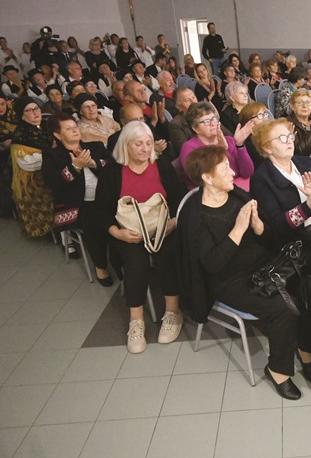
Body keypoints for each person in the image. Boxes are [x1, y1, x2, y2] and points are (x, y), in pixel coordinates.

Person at [177, 146, 302, 399]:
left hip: (262, 265)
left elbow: (268, 238)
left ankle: (307, 350)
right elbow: (212, 265)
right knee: (281, 308)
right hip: (229, 279)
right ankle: (278, 369)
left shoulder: (238, 196)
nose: (233, 172)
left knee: (306, 282)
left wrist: (257, 226)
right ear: (208, 178)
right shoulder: (196, 215)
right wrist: (238, 228)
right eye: (225, 168)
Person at [250, 119, 311, 383]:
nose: (290, 141)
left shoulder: (305, 163)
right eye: (282, 139)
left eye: (290, 136)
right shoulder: (262, 178)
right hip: (295, 243)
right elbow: (275, 228)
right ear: (266, 148)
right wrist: (309, 205)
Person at [96, 121, 184, 354]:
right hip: (130, 232)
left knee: (169, 254)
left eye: (148, 143)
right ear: (126, 145)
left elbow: (179, 199)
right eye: (139, 144)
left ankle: (173, 312)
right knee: (135, 262)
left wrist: (173, 223)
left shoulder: (161, 164)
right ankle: (136, 321)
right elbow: (101, 210)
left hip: (163, 227)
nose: (145, 149)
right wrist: (118, 233)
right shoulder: (113, 171)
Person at [42, 113, 113, 284]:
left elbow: (112, 168)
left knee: (120, 216)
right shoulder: (52, 155)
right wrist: (75, 167)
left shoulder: (95, 147)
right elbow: (54, 183)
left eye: (75, 127)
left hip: (106, 198)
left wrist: (92, 163)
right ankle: (100, 265)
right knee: (94, 222)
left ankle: (124, 262)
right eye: (68, 128)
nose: (75, 130)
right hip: (77, 205)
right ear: (57, 135)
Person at [178, 101, 254, 191]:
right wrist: (223, 150)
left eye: (214, 119)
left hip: (238, 188)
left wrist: (239, 144)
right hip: (212, 194)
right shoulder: (189, 148)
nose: (213, 124)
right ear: (195, 128)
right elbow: (209, 179)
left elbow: (247, 173)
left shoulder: (229, 140)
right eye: (206, 121)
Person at [10, 97, 54, 237]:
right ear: (22, 116)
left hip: (50, 168)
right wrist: (52, 153)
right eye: (29, 110)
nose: (35, 113)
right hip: (33, 178)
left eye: (36, 109)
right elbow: (28, 164)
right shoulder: (20, 136)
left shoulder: (46, 126)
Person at [238, 101, 272, 167]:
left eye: (265, 114)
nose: (265, 118)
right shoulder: (247, 142)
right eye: (260, 115)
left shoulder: (269, 134)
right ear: (248, 121)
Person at [169, 86, 198, 156]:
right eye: (187, 100)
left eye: (193, 97)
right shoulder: (176, 124)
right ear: (178, 106)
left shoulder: (207, 113)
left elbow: (227, 135)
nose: (193, 102)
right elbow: (187, 153)